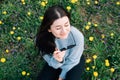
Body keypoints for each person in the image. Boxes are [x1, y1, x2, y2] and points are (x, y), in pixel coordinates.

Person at [35, 5, 85, 80]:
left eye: (66, 25)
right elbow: (51, 62)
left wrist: (61, 76)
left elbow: (73, 61)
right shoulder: (42, 40)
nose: (64, 31)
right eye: (58, 28)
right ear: (49, 29)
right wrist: (58, 60)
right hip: (54, 61)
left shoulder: (77, 37)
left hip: (73, 62)